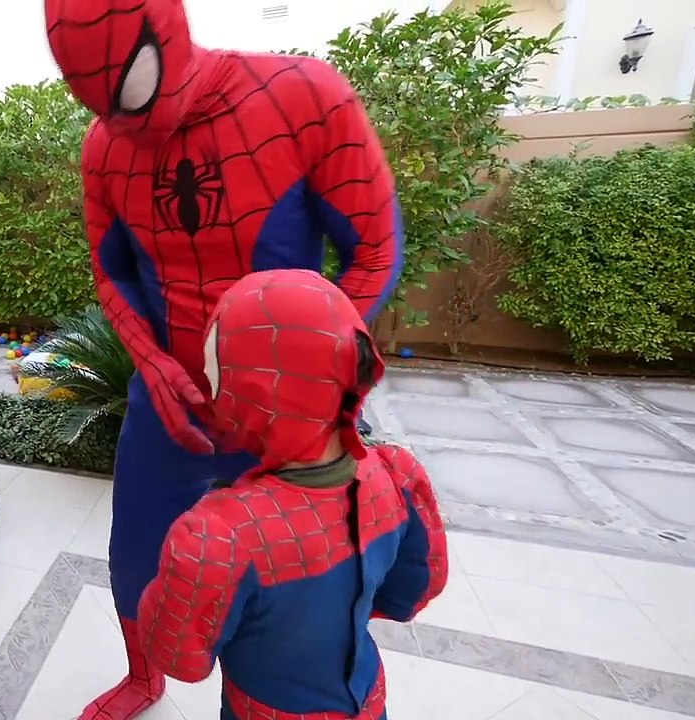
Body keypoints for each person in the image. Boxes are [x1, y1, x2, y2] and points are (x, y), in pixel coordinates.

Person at [42, 0, 406, 716]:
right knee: (135, 550)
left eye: (129, 93)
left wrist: (308, 370)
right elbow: (111, 273)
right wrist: (152, 364)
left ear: (164, 31)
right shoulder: (103, 148)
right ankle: (144, 678)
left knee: (304, 578)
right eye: (96, 105)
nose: (123, 123)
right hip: (171, 399)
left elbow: (375, 248)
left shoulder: (305, 95)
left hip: (286, 404)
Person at [137, 269, 448, 720]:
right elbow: (413, 592)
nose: (210, 390)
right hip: (368, 702)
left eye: (217, 376)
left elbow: (177, 657)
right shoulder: (397, 476)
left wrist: (171, 571)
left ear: (256, 392)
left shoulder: (217, 536)